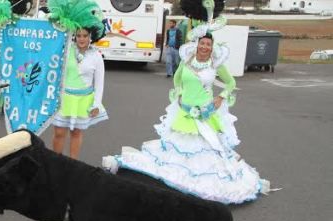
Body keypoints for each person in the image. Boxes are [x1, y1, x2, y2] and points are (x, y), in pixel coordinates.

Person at [103, 32, 271, 204]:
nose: (205, 47)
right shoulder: (187, 61)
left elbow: (231, 83)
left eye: (208, 44)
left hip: (205, 114)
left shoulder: (216, 64)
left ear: (212, 47)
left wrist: (221, 97)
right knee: (177, 151)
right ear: (197, 44)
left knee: (205, 153)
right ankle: (179, 182)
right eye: (202, 43)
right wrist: (180, 94)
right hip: (185, 113)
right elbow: (177, 80)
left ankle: (198, 185)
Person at [52, 27, 108, 159]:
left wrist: (97, 104)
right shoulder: (66, 50)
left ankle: (72, 166)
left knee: (76, 133)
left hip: (83, 100)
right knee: (59, 132)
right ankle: (55, 163)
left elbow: (99, 83)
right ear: (74, 36)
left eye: (85, 36)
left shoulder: (96, 56)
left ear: (90, 37)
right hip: (64, 98)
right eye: (78, 36)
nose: (81, 39)